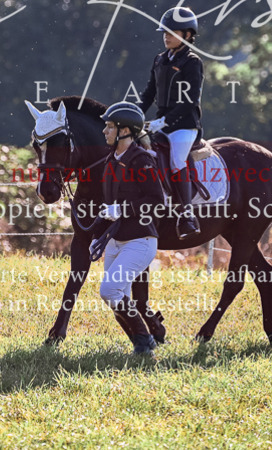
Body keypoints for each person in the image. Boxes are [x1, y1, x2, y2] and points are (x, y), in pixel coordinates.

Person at [89, 101, 164, 355]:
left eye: (109, 126)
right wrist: (97, 235)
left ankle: (145, 342)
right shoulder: (111, 160)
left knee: (109, 290)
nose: (104, 131)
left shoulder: (141, 160)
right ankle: (142, 346)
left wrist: (122, 209)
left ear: (125, 131)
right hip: (114, 240)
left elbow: (156, 201)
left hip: (140, 240)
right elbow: (107, 206)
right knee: (113, 297)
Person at [138, 5, 203, 240]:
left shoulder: (192, 62)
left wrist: (165, 121)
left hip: (184, 125)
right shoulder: (160, 60)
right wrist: (133, 114)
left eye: (171, 32)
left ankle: (187, 215)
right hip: (160, 124)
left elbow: (189, 101)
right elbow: (148, 93)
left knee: (177, 160)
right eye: (164, 32)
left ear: (186, 35)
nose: (166, 36)